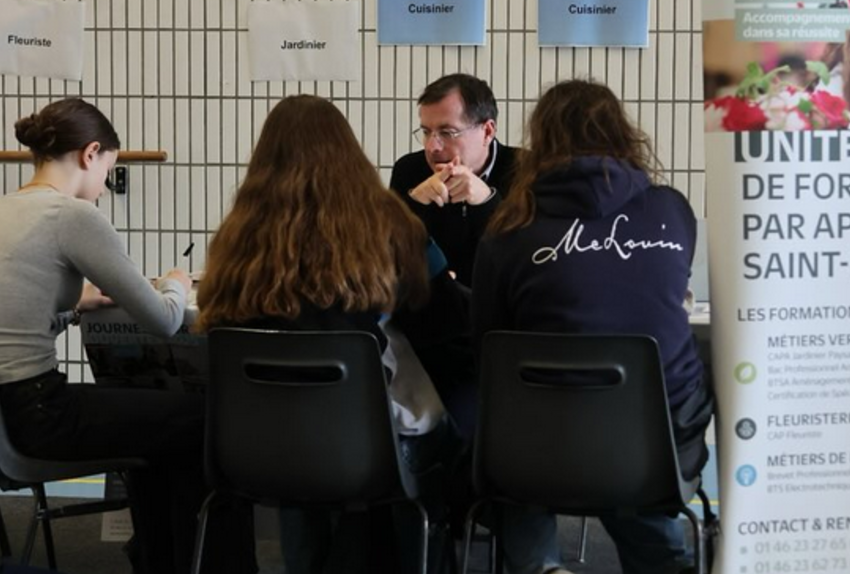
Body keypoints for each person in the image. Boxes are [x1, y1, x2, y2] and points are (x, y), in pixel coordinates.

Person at [0, 98, 256, 574]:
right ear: (91, 154)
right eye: (107, 170)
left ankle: (158, 559)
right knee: (203, 419)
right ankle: (210, 565)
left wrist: (74, 308)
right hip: (34, 414)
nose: (101, 189)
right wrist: (176, 279)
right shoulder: (73, 215)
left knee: (157, 430)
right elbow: (164, 319)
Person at [196, 94, 459, 574]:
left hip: (257, 447)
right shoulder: (390, 223)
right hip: (367, 450)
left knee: (304, 448)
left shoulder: (238, 236)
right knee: (449, 430)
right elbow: (444, 318)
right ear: (349, 153)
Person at [471, 80, 714, 574]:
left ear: (542, 140)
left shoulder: (509, 228)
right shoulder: (671, 210)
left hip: (537, 452)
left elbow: (487, 344)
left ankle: (539, 566)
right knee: (637, 433)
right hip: (655, 449)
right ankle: (661, 558)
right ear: (622, 133)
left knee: (511, 425)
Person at [390, 74, 519, 287]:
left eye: (447, 133)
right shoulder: (409, 170)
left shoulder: (527, 170)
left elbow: (531, 258)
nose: (432, 147)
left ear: (487, 131)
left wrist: (487, 202)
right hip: (430, 308)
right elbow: (386, 258)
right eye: (426, 132)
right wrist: (413, 204)